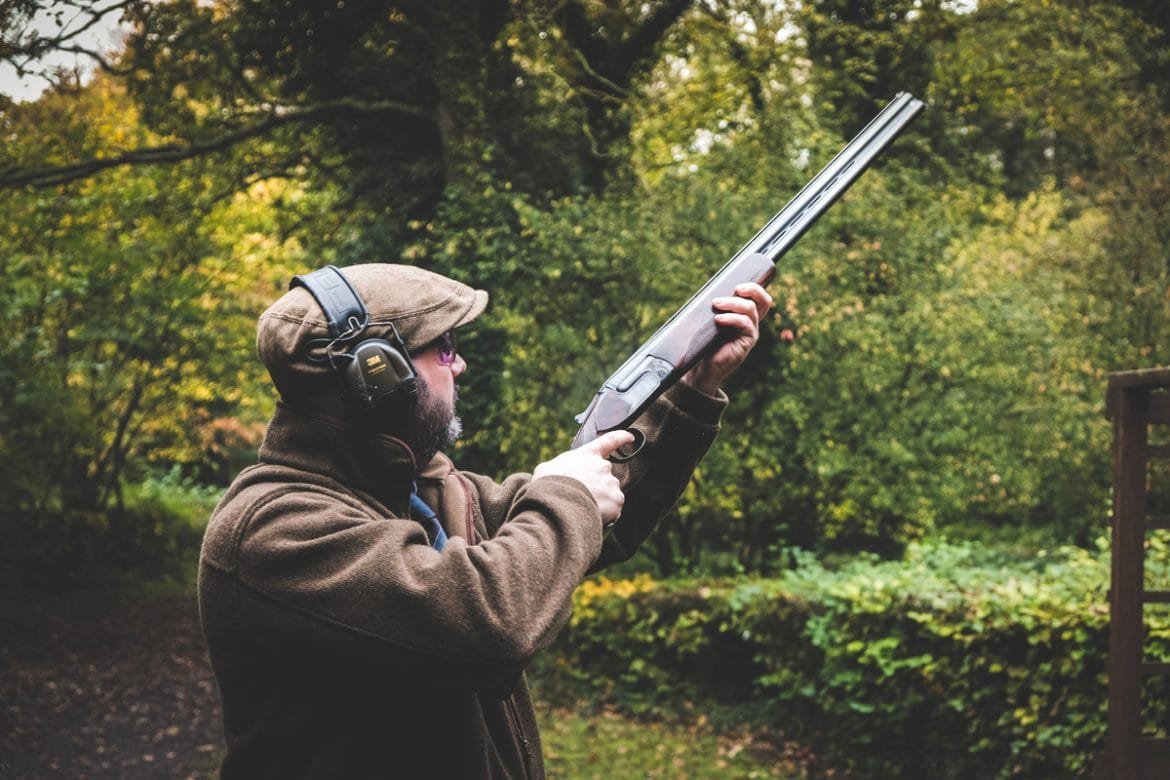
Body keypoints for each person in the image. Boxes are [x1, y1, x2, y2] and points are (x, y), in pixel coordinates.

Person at [198, 262, 772, 778]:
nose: (462, 364)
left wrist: (695, 390)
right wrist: (565, 493)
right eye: (444, 347)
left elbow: (585, 530)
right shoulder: (275, 529)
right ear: (377, 380)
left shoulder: (426, 491)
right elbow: (493, 621)